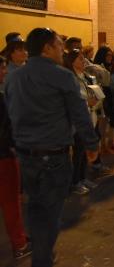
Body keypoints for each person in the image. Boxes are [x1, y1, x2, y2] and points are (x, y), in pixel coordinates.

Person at [4, 28, 99, 267]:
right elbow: (79, 114)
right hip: (53, 154)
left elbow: (12, 114)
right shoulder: (62, 76)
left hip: (26, 154)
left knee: (35, 207)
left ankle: (42, 251)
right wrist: (91, 144)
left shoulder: (14, 77)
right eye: (58, 46)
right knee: (52, 211)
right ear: (46, 48)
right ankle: (42, 257)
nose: (61, 51)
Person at [0, 55, 32, 261]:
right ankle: (19, 244)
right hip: (4, 156)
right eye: (2, 68)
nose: (5, 72)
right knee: (11, 202)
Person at [63, 49, 101, 194]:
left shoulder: (85, 76)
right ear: (72, 62)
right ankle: (75, 181)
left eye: (83, 58)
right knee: (78, 152)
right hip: (77, 121)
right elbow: (74, 100)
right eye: (80, 59)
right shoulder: (71, 78)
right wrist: (87, 102)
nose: (83, 61)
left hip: (89, 117)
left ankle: (82, 178)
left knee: (84, 151)